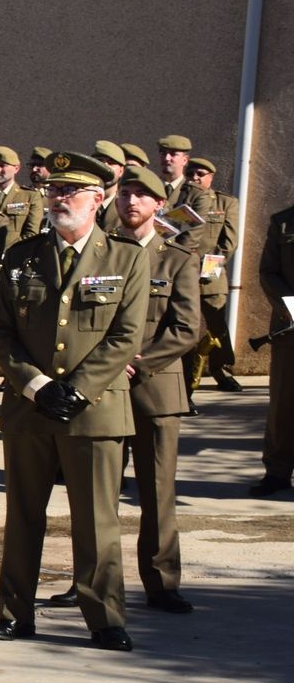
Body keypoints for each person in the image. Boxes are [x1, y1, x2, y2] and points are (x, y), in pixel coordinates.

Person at [0, 151, 146, 652]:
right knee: (24, 514)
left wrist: (76, 389)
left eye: (69, 192)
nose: (58, 200)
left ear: (98, 200)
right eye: (54, 191)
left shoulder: (127, 257)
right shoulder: (21, 256)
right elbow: (2, 331)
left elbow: (125, 336)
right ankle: (15, 612)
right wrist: (36, 385)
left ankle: (105, 619)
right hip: (30, 407)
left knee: (96, 520)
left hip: (94, 409)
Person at [113, 165, 201, 613]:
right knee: (99, 493)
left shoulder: (177, 258)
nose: (130, 202)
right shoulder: (103, 254)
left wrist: (137, 363)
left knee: (157, 491)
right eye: (124, 194)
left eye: (140, 196)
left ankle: (162, 582)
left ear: (157, 205)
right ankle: (94, 580)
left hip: (155, 391)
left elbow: (186, 329)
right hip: (105, 388)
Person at [183, 157, 242, 393]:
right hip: (180, 275)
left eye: (201, 173)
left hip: (211, 276)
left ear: (211, 177)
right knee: (183, 325)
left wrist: (205, 271)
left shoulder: (225, 202)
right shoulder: (177, 200)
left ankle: (221, 370)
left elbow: (228, 243)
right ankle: (186, 377)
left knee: (217, 327)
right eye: (192, 173)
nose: (195, 177)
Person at [255, 202, 294, 497]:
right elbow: (268, 272)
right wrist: (291, 306)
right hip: (289, 327)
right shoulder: (282, 222)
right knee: (283, 402)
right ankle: (277, 472)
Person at [0, 146, 44, 245]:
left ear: (16, 168)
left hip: (13, 256)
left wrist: (10, 253)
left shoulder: (30, 196)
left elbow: (32, 234)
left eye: (2, 165)